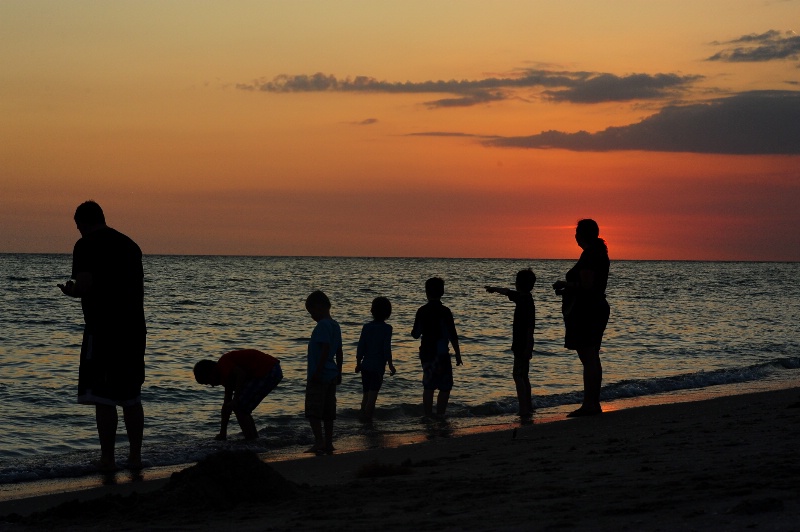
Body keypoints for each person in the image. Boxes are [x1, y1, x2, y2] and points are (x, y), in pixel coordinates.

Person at [57, 201, 146, 471]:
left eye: (78, 226)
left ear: (82, 223)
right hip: (133, 328)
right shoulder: (130, 245)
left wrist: (71, 291)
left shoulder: (85, 245)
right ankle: (134, 457)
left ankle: (108, 458)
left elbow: (85, 285)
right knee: (131, 397)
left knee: (104, 397)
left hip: (104, 328)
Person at [552, 219, 610, 417]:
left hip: (588, 310)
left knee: (588, 357)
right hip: (596, 308)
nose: (575, 236)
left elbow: (586, 286)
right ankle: (593, 402)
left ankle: (590, 404)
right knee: (592, 356)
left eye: (577, 232)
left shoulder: (590, 255)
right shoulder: (599, 253)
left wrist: (565, 284)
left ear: (581, 235)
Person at [193, 349, 283, 441]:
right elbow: (226, 406)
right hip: (271, 370)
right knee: (242, 408)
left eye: (208, 381)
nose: (211, 385)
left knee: (239, 407)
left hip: (268, 369)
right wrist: (223, 433)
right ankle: (254, 439)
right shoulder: (226, 377)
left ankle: (251, 440)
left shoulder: (223, 364)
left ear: (211, 372)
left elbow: (241, 374)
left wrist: (235, 399)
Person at [485, 268, 536, 417]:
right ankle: (528, 406)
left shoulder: (523, 300)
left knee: (518, 375)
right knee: (524, 375)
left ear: (518, 284)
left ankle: (524, 408)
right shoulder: (526, 298)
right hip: (525, 343)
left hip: (521, 343)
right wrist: (494, 289)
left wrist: (527, 346)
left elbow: (529, 327)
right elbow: (507, 292)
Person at [412, 277, 463, 418]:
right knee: (445, 387)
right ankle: (441, 414)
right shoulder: (445, 311)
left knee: (428, 386)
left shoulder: (422, 311)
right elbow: (453, 335)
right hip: (442, 354)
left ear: (426, 292)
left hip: (427, 354)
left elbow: (415, 334)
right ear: (442, 292)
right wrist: (458, 354)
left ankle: (428, 415)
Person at [304, 290, 343, 454]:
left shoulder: (322, 325)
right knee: (328, 411)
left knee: (313, 410)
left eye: (311, 312)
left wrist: (317, 371)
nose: (312, 316)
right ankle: (328, 442)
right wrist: (339, 371)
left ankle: (319, 441)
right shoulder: (335, 325)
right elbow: (339, 351)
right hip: (331, 374)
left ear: (319, 307)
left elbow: (326, 349)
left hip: (320, 375)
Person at [355, 296, 396, 423]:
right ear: (388, 313)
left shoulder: (366, 327)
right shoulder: (387, 329)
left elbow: (361, 346)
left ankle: (362, 417)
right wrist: (390, 365)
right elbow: (386, 348)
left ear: (372, 311)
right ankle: (367, 420)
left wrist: (358, 363)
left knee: (366, 394)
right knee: (373, 396)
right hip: (377, 367)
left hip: (365, 366)